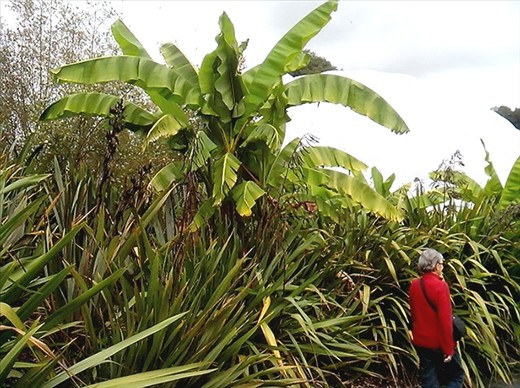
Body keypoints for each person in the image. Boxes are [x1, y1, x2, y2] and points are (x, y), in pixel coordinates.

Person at [409, 248, 464, 387]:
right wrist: (448, 349)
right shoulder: (441, 287)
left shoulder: (415, 284)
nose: (442, 266)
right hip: (438, 343)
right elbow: (445, 321)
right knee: (457, 376)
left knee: (429, 379)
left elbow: (414, 314)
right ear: (435, 265)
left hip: (421, 341)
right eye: (441, 263)